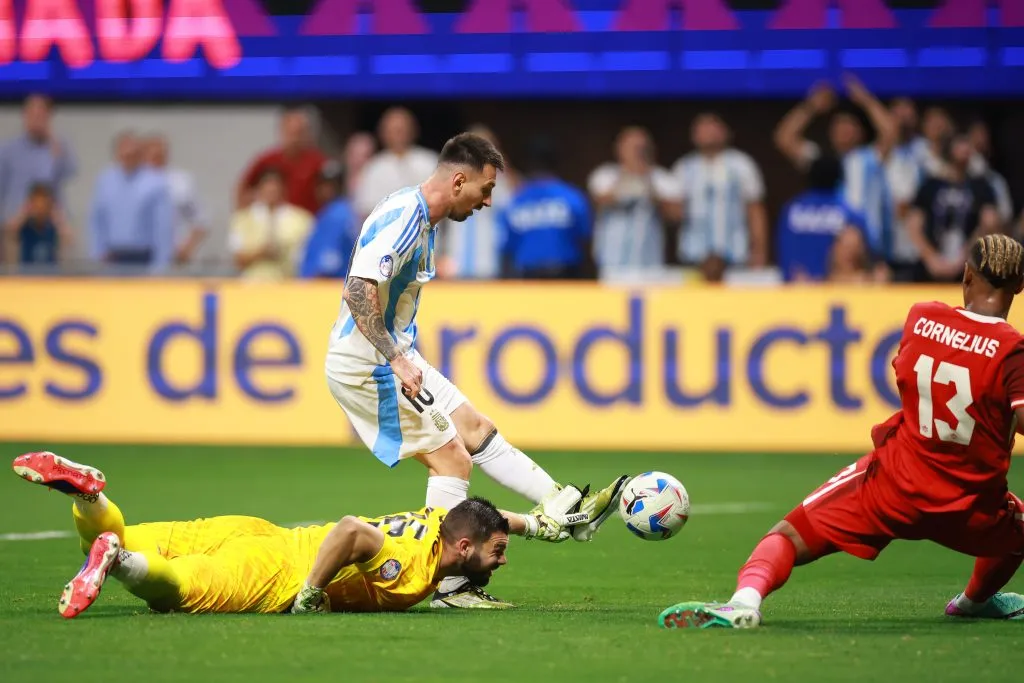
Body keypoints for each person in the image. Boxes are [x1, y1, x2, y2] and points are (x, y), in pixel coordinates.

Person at [659, 233, 1024, 629]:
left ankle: (744, 601)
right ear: (1019, 287)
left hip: (892, 488)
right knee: (1017, 535)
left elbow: (907, 372)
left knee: (788, 535)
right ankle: (973, 601)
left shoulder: (923, 318)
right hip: (972, 506)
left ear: (967, 276)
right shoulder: (1012, 351)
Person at [325, 132, 627, 609]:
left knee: (476, 429)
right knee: (452, 460)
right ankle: (449, 585)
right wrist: (396, 357)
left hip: (393, 350)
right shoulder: (406, 219)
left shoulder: (421, 215)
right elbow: (358, 291)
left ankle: (565, 504)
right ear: (459, 180)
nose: (488, 202)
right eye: (485, 190)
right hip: (368, 362)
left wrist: (400, 352)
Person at [13, 451, 578, 619]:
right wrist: (310, 592)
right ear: (463, 549)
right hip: (274, 572)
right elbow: (351, 532)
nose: (501, 561)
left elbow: (482, 519)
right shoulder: (412, 571)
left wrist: (535, 525)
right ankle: (115, 564)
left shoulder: (440, 521)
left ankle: (92, 498)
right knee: (173, 592)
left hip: (261, 531)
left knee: (125, 531)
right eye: (498, 552)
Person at [299, 160, 358, 279]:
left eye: (331, 186)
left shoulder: (338, 213)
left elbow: (329, 263)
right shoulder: (328, 211)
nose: (326, 190)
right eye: (323, 185)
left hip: (328, 286)